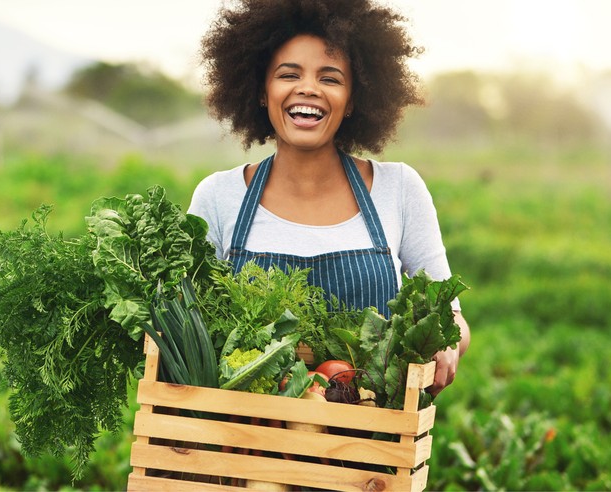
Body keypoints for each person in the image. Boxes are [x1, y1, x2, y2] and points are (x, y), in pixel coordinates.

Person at [189, 0, 470, 396]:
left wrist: (448, 345)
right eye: (289, 74)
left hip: (368, 439)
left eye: (331, 78)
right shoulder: (218, 196)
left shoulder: (400, 189)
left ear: (354, 99)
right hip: (246, 440)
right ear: (261, 92)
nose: (308, 88)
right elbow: (188, 330)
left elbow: (450, 315)